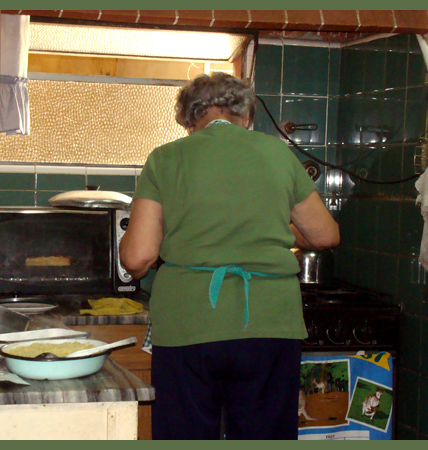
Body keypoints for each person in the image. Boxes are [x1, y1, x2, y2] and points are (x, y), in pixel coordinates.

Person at [119, 72, 339, 440]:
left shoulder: (165, 158)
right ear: (246, 116)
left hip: (188, 325)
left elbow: (137, 258)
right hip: (269, 325)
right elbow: (326, 235)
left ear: (189, 120)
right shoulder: (277, 153)